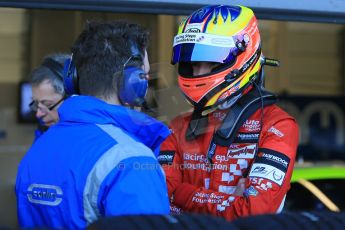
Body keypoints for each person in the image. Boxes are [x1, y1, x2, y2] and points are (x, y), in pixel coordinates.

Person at [15, 20, 170, 229]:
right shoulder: (131, 159)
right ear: (134, 83)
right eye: (144, 75)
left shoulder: (36, 153)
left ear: (73, 79)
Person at [159, 5, 299, 220]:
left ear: (244, 52)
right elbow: (160, 199)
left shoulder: (277, 126)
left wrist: (183, 193)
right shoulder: (177, 127)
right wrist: (227, 202)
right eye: (192, 63)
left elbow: (253, 213)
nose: (198, 73)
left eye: (211, 62)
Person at [29, 54, 69, 139]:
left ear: (72, 97)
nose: (38, 114)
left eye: (47, 104)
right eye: (36, 104)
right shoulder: (42, 132)